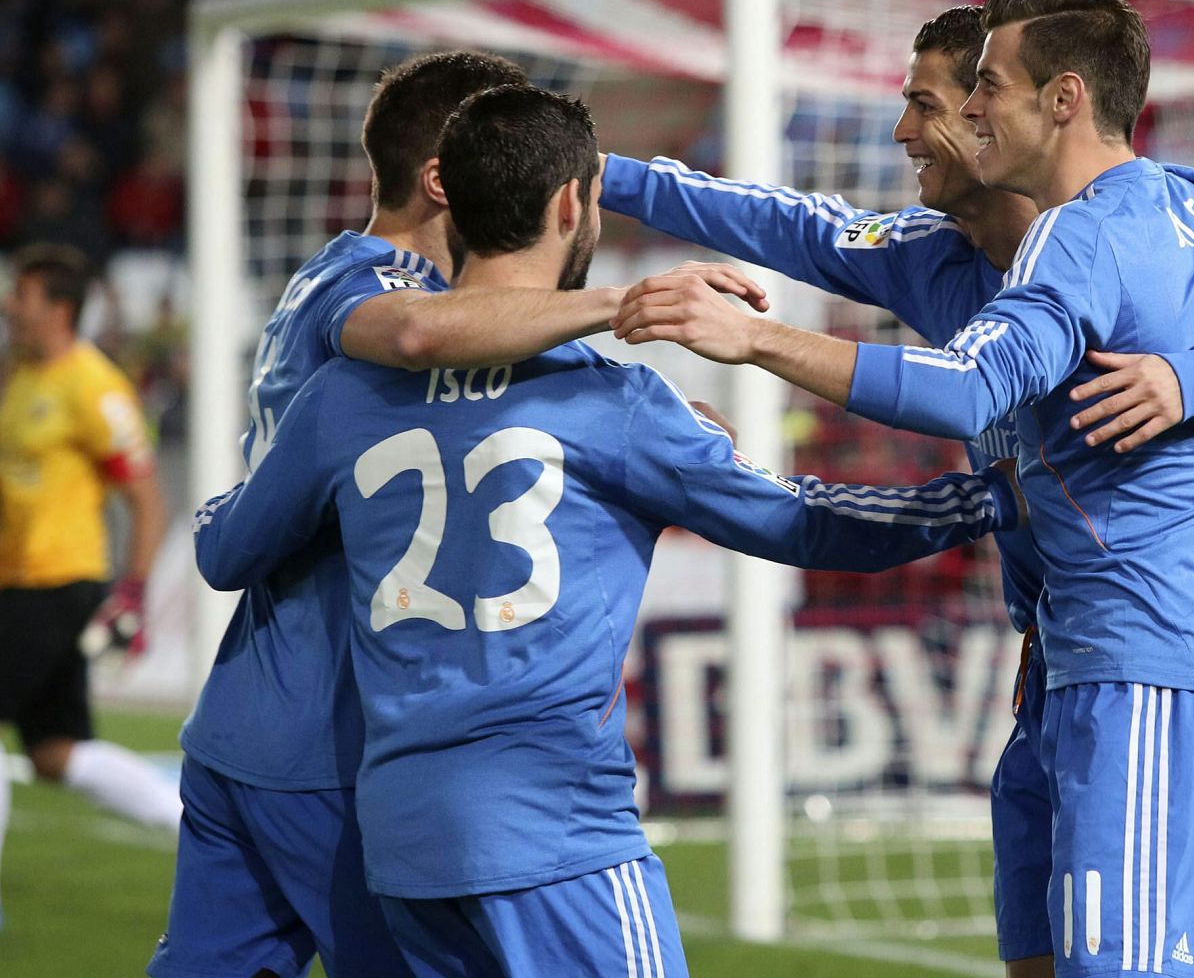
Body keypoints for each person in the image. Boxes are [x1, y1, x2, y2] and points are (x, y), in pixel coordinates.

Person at [189, 83, 1020, 978]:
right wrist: (987, 499)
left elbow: (223, 547)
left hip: (403, 836)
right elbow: (810, 524)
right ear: (570, 203)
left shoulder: (343, 396)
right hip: (558, 829)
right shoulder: (613, 402)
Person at [614, 0, 1194, 978]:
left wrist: (756, 339)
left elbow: (978, 384)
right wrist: (600, 175)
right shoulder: (942, 255)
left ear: (1055, 99)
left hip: (1158, 658)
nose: (917, 125)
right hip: (1067, 659)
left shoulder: (1104, 228)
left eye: (950, 96)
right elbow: (791, 224)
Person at [151, 50, 767, 978]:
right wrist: (626, 304)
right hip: (341, 739)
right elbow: (415, 334)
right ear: (444, 177)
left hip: (248, 723)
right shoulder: (376, 291)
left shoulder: (323, 283)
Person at [0, 245, 181, 922]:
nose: (11, 305)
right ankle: (192, 821)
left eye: (23, 294)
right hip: (16, 583)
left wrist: (132, 592)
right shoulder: (23, 376)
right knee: (53, 753)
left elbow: (146, 498)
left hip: (57, 583)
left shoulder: (93, 386)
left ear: (58, 308)